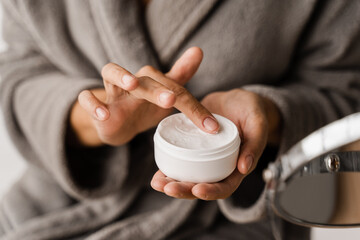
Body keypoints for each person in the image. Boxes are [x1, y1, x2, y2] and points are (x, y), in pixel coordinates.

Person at [0, 0, 359, 239]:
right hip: (50, 206)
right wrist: (95, 119)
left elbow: (347, 102)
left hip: (231, 220)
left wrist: (270, 112)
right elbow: (18, 67)